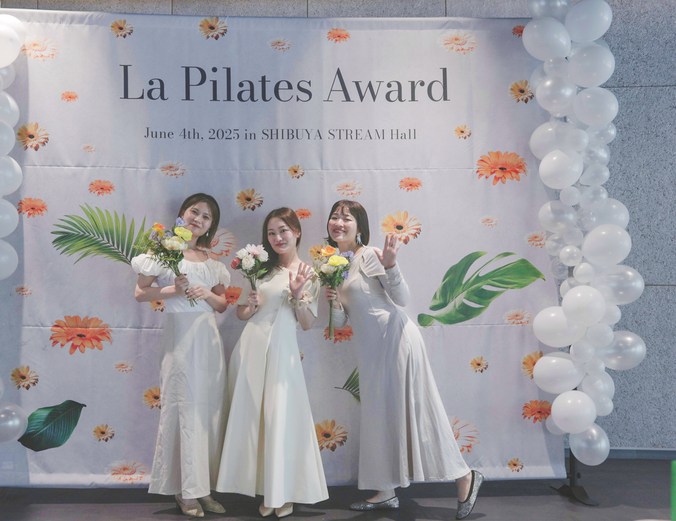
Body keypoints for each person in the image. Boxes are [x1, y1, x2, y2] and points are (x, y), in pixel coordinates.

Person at [323, 200, 483, 520]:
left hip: (396, 342)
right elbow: (339, 324)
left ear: (359, 227)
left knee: (421, 412)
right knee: (378, 419)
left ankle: (465, 476)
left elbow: (401, 298)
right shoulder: (333, 267)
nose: (339, 222)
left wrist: (392, 265)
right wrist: (333, 302)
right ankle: (385, 491)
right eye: (335, 217)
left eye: (347, 218)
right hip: (371, 353)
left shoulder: (369, 255)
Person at [217, 208, 328, 518]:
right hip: (251, 349)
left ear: (297, 232)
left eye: (283, 231)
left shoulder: (309, 273)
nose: (278, 238)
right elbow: (242, 313)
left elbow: (307, 323)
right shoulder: (259, 270)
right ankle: (265, 489)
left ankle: (284, 492)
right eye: (271, 233)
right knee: (254, 419)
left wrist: (297, 294)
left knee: (282, 419)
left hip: (283, 352)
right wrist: (250, 305)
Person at [132, 193, 231, 518]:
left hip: (209, 342)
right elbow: (140, 293)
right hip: (180, 340)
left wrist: (205, 294)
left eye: (206, 217)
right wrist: (173, 290)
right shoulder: (163, 252)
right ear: (182, 214)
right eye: (194, 211)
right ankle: (184, 491)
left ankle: (202, 489)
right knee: (183, 410)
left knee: (206, 414)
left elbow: (222, 305)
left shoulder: (213, 262)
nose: (198, 219)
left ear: (210, 226)